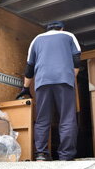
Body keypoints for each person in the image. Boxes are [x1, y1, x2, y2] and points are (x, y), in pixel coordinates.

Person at [16, 21, 81, 161]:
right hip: (64, 80)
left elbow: (29, 68)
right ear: (62, 28)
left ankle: (41, 154)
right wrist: (70, 77)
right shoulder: (68, 35)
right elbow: (77, 61)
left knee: (42, 119)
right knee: (67, 118)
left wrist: (25, 88)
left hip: (42, 82)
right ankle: (66, 155)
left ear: (47, 29)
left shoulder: (36, 40)